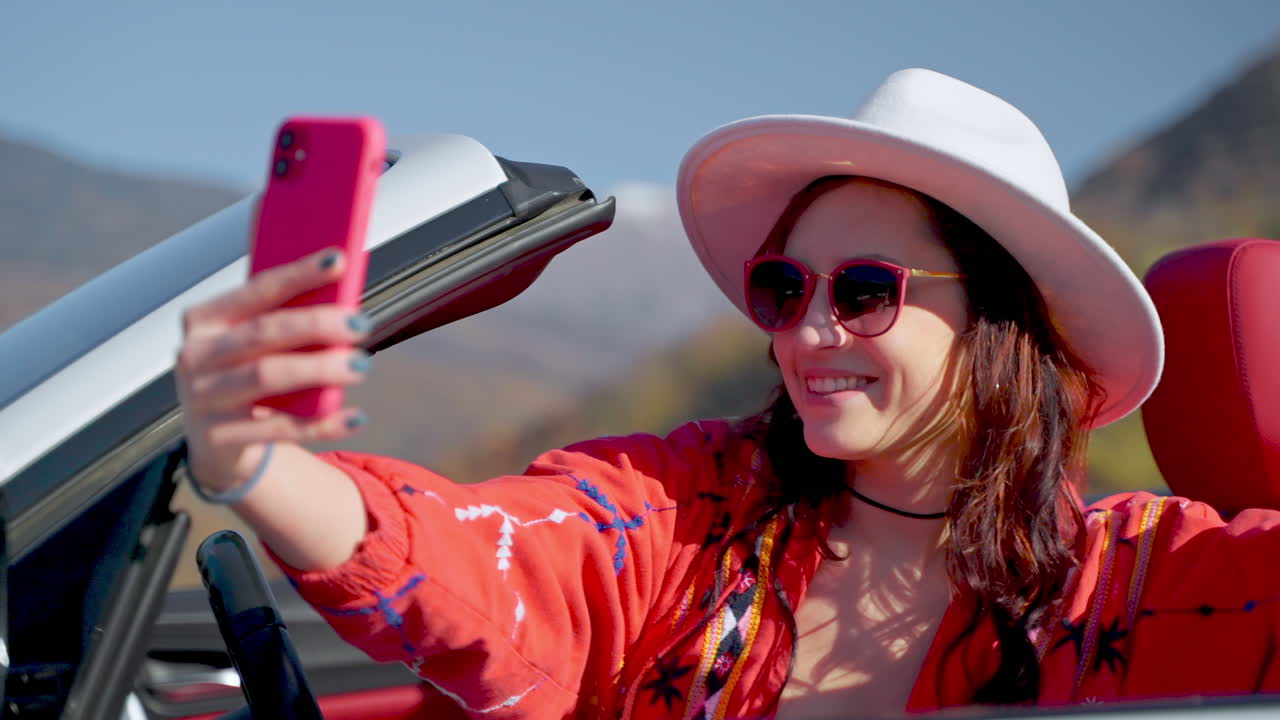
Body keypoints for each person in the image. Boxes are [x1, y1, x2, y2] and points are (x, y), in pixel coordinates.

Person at [175, 69, 1280, 719]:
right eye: (781, 286)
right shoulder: (685, 515)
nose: (804, 332)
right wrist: (259, 465)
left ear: (998, 324)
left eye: (861, 292)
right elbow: (475, 556)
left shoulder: (1137, 579)